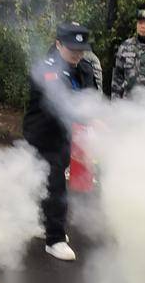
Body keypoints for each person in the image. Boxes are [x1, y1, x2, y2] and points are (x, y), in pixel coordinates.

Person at [22, 22, 99, 262]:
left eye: (81, 49)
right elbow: (59, 103)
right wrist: (89, 119)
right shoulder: (47, 70)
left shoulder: (84, 68)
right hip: (43, 135)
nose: (77, 53)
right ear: (58, 44)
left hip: (66, 135)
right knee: (55, 184)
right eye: (71, 48)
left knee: (43, 181)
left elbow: (92, 98)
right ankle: (55, 238)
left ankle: (38, 220)